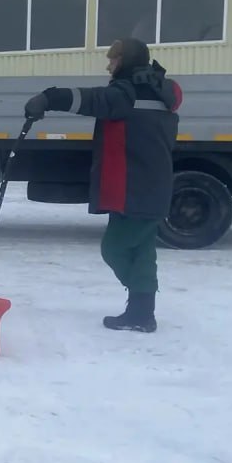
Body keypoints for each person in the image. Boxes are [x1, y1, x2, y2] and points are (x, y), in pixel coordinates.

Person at [23, 38, 182, 333]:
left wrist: (48, 98)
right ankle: (142, 314)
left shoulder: (125, 94)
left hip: (132, 188)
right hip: (152, 186)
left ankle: (141, 303)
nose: (109, 66)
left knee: (114, 248)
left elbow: (88, 99)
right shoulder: (162, 92)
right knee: (143, 251)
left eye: (113, 60)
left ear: (126, 61)